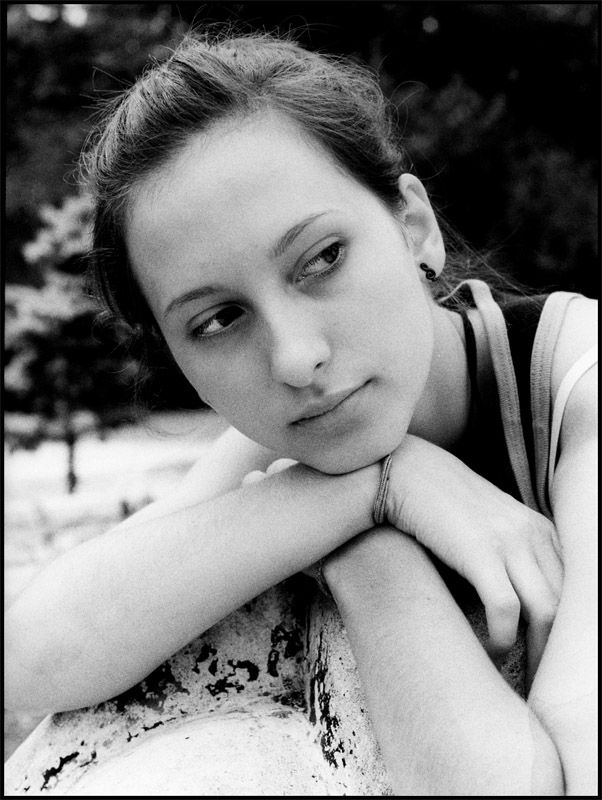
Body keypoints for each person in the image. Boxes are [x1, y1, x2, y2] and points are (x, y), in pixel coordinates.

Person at [5, 30, 597, 795]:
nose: (293, 358)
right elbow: (32, 656)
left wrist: (358, 538)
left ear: (413, 227)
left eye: (322, 258)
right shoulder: (304, 441)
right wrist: (373, 503)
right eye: (219, 320)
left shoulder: (577, 383)